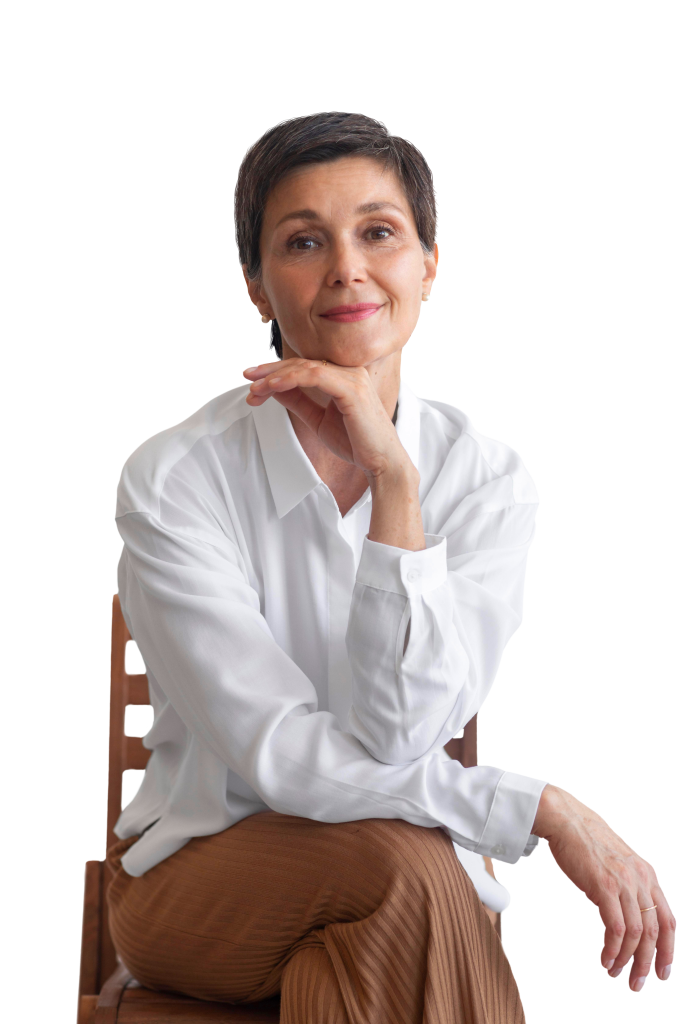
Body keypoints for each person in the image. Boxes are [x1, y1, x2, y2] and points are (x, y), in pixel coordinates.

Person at [106, 112, 675, 1022]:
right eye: (303, 242)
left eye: (378, 232)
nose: (346, 268)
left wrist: (394, 486)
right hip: (196, 885)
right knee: (407, 870)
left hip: (395, 891)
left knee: (361, 956)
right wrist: (536, 806)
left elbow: (403, 730)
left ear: (428, 266)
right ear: (255, 286)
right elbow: (280, 757)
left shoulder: (485, 479)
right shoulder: (176, 476)